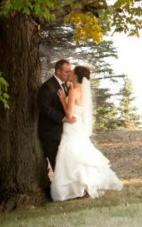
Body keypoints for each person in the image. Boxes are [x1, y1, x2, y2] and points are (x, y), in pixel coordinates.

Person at [50, 65, 123, 201]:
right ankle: (84, 187)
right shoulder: (83, 91)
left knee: (71, 155)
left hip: (71, 126)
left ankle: (79, 188)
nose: (69, 74)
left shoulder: (74, 91)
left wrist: (62, 100)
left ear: (76, 76)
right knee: (81, 155)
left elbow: (69, 114)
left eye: (72, 72)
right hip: (80, 127)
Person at [38, 59, 75, 170]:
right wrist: (63, 118)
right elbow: (44, 108)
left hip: (63, 132)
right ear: (58, 71)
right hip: (51, 133)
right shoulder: (48, 86)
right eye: (67, 71)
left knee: (65, 164)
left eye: (70, 71)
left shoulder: (66, 86)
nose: (70, 73)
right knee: (57, 164)